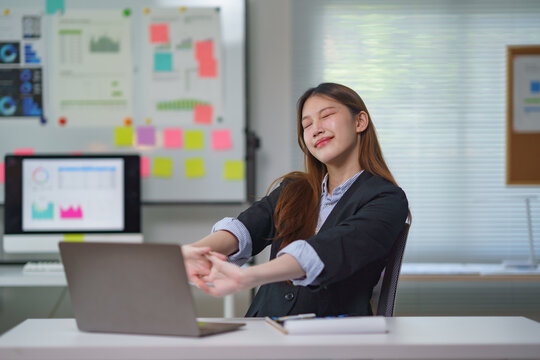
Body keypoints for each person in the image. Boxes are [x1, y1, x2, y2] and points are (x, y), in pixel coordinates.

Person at [182, 82, 410, 318]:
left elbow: (332, 249)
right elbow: (244, 229)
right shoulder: (294, 189)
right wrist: (190, 253)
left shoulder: (387, 199)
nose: (316, 129)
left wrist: (247, 277)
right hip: (264, 329)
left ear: (360, 122)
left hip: (333, 337)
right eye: (307, 125)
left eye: (327, 116)